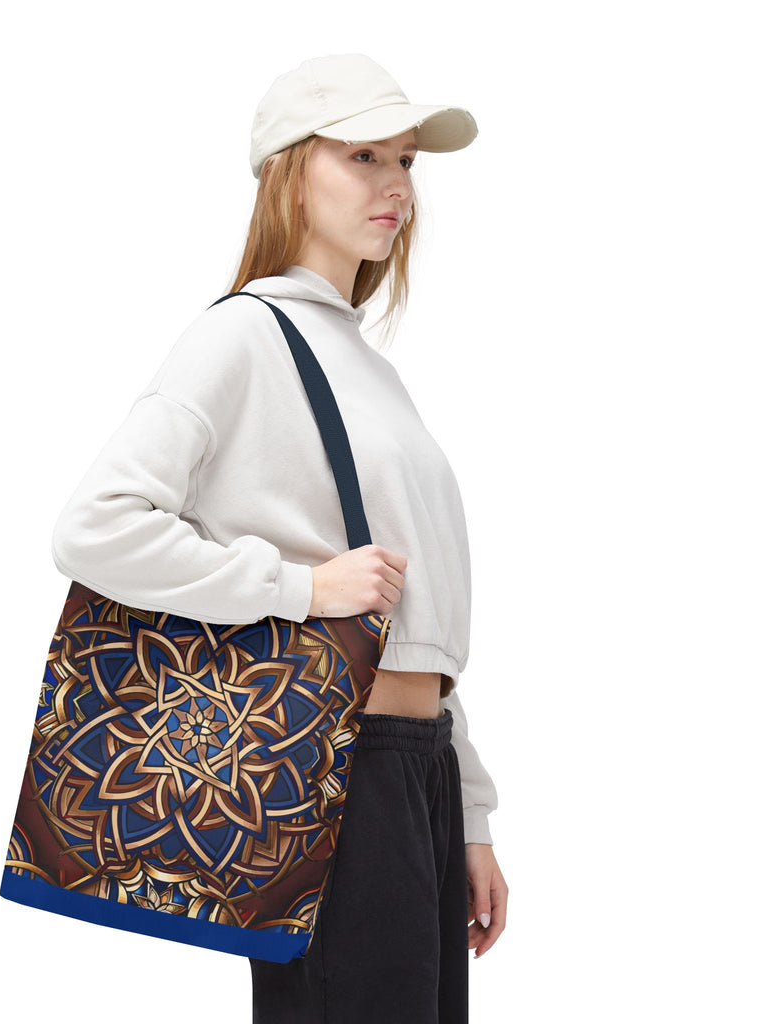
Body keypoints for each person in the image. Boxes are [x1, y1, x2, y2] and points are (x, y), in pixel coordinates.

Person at [50, 53, 507, 1023]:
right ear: (288, 174)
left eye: (407, 162)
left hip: (409, 766)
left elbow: (417, 620)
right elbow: (95, 528)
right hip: (334, 763)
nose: (394, 184)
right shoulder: (241, 337)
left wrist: (465, 814)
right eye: (363, 156)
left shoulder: (368, 366)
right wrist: (298, 588)